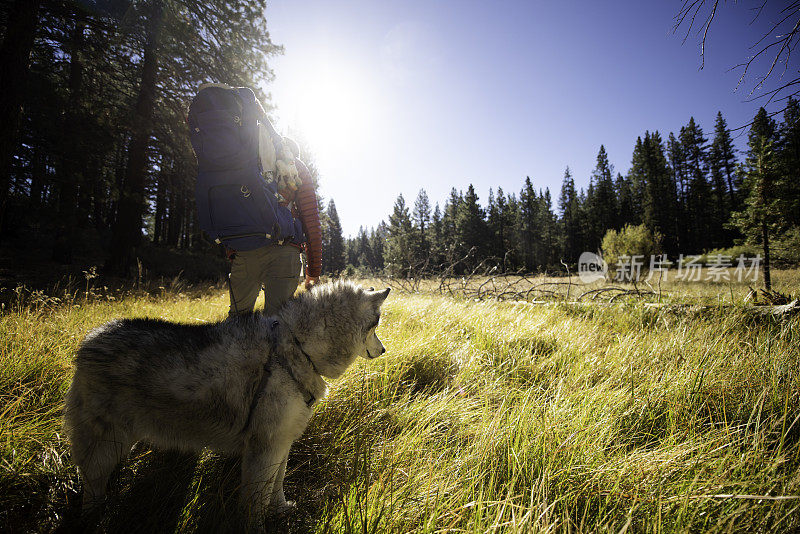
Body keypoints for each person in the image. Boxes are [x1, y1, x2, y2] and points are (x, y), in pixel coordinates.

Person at [189, 84, 321, 316]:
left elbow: (231, 205)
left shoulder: (250, 162)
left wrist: (233, 251)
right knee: (276, 326)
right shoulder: (296, 168)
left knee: (236, 326)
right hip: (285, 251)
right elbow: (311, 220)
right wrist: (313, 271)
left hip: (245, 251)